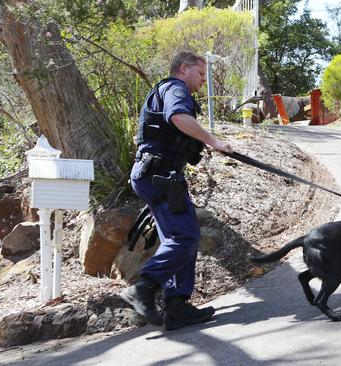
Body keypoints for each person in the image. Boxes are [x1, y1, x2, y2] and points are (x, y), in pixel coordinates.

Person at [121, 51, 233, 331]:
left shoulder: (166, 89)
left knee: (180, 237)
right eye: (201, 74)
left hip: (157, 176)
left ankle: (177, 306)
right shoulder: (175, 88)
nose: (202, 81)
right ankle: (144, 288)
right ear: (184, 69)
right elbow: (178, 117)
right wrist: (213, 141)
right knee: (184, 236)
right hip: (159, 176)